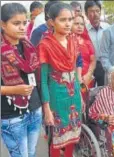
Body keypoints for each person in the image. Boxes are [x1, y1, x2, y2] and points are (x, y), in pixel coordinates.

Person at [38, 3, 82, 157]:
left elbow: (75, 74)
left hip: (74, 95)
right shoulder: (45, 45)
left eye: (70, 19)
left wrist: (80, 96)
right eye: (63, 20)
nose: (68, 23)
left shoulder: (74, 41)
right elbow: (43, 80)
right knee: (57, 139)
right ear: (52, 22)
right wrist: (47, 109)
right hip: (56, 97)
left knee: (72, 136)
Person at [1, 3, 42, 157]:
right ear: (3, 24)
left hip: (34, 109)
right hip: (12, 115)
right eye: (16, 23)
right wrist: (14, 90)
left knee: (31, 153)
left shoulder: (28, 46)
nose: (22, 27)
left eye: (24, 23)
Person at [84, 0, 110, 86]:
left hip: (105, 65)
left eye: (97, 11)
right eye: (91, 11)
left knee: (104, 89)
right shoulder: (84, 31)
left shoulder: (108, 28)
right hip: (89, 66)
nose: (95, 14)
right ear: (86, 14)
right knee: (86, 88)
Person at [72, 15, 96, 88]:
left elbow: (93, 61)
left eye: (82, 24)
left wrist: (88, 75)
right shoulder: (66, 42)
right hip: (71, 79)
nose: (79, 26)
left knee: (86, 97)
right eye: (76, 24)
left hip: (87, 79)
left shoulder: (87, 43)